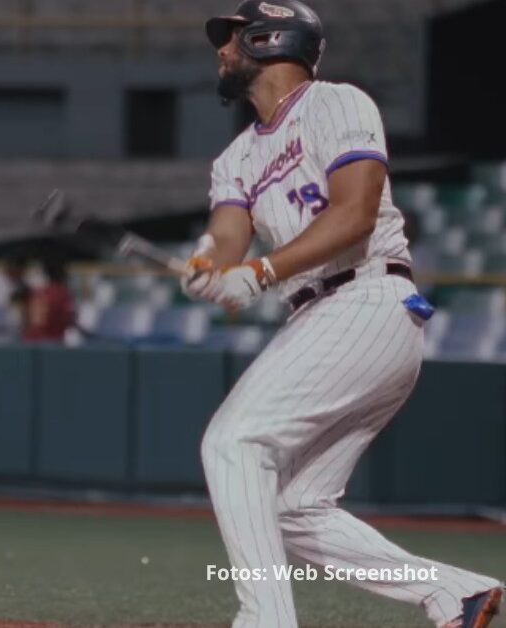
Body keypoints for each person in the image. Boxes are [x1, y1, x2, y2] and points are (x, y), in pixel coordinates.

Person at [185, 3, 502, 627]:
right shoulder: (237, 156)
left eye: (230, 38)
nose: (220, 51)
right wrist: (208, 261)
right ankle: (453, 593)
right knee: (290, 507)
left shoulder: (336, 104)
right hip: (323, 319)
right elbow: (228, 236)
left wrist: (261, 271)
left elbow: (354, 215)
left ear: (267, 38)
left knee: (234, 442)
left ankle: (266, 620)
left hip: (367, 298)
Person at [23, 253, 75, 343]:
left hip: (29, 342)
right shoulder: (61, 292)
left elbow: (26, 320)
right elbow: (68, 319)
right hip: (51, 343)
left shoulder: (36, 292)